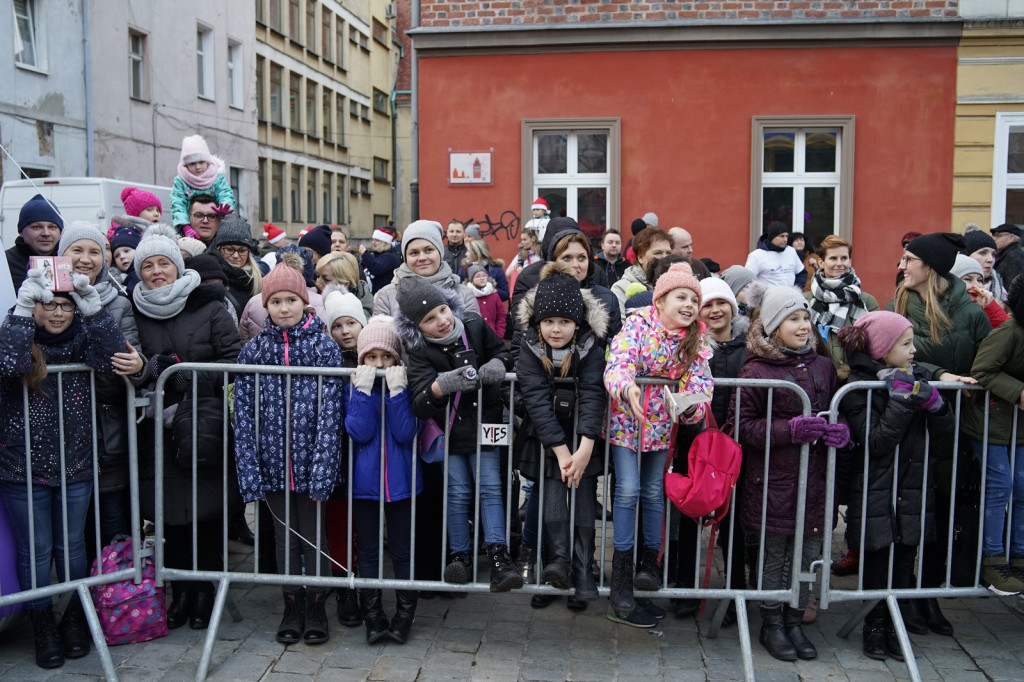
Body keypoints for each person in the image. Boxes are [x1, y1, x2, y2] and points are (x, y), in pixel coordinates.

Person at [0, 270, 125, 669]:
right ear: (34, 305)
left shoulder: (81, 340)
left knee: (70, 546)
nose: (57, 313)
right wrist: (22, 310)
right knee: (35, 550)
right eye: (49, 304)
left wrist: (93, 307)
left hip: (76, 462)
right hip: (22, 465)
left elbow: (112, 354)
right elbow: (10, 363)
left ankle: (73, 616)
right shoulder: (16, 333)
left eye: (65, 306)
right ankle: (42, 624)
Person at [131, 226, 241, 632]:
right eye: (148, 265)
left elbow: (234, 361)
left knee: (205, 512)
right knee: (168, 515)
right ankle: (180, 591)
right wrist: (153, 375)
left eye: (164, 263)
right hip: (155, 429)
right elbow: (132, 362)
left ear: (178, 267)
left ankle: (206, 591)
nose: (157, 271)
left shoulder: (209, 307)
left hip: (202, 424)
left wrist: (186, 378)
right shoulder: (134, 309)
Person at [731, 286, 848, 661]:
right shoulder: (755, 369)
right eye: (792, 319)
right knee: (774, 555)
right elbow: (739, 426)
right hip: (773, 481)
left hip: (815, 481)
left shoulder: (823, 366)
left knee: (809, 552)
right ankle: (771, 622)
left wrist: (839, 429)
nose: (802, 326)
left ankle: (795, 619)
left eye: (805, 319)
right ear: (773, 326)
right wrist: (788, 430)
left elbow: (836, 408)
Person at [233, 264, 343, 646]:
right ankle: (290, 603)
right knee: (284, 538)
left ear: (304, 302)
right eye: (275, 301)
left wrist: (323, 467)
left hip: (313, 460)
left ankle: (316, 603)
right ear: (265, 306)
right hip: (272, 462)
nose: (283, 308)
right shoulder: (255, 349)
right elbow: (243, 413)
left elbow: (332, 412)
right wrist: (250, 469)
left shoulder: (323, 347)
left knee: (314, 536)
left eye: (290, 300)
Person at [888, 231, 989, 636]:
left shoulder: (972, 313)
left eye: (909, 259)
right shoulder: (898, 304)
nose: (902, 266)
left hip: (956, 426)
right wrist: (940, 376)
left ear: (930, 265)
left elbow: (988, 364)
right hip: (911, 425)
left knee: (943, 512)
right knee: (912, 509)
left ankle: (929, 595)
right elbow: (890, 360)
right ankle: (904, 595)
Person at [603, 262, 714, 628]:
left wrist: (691, 404)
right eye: (680, 297)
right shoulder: (637, 325)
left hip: (661, 429)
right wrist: (627, 385)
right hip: (626, 424)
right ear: (661, 299)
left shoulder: (694, 340)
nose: (688, 305)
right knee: (628, 491)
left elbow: (700, 382)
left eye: (693, 300)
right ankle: (620, 584)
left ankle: (648, 566)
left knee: (653, 492)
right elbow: (618, 360)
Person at [838, 311, 953, 661]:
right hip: (876, 490)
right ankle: (873, 628)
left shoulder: (914, 378)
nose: (913, 350)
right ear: (882, 350)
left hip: (912, 488)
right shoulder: (860, 389)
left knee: (904, 560)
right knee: (876, 564)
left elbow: (945, 439)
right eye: (905, 344)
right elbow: (876, 442)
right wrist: (901, 403)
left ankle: (895, 627)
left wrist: (937, 408)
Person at [395, 278, 521, 592]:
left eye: (441, 310)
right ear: (417, 327)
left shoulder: (475, 325)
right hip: (450, 434)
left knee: (491, 489)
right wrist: (443, 384)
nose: (441, 320)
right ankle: (460, 557)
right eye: (429, 319)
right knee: (459, 493)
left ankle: (499, 559)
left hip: (487, 425)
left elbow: (505, 354)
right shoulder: (421, 351)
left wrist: (496, 364)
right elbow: (421, 402)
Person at [514, 263, 608, 608]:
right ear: (538, 322)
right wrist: (562, 452)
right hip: (547, 437)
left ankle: (583, 570)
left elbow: (594, 395)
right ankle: (557, 568)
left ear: (577, 322)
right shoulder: (529, 347)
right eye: (549, 321)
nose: (556, 329)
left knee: (583, 496)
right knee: (551, 494)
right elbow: (536, 400)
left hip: (585, 436)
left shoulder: (591, 346)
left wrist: (583, 450)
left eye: (565, 322)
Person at [58, 222, 148, 548]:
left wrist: (138, 366)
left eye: (94, 251)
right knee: (70, 533)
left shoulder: (119, 303)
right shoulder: (44, 299)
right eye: (76, 250)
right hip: (56, 437)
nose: (85, 259)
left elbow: (131, 364)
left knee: (112, 525)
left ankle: (115, 594)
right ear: (60, 256)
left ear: (105, 259)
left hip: (105, 437)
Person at [669, 276, 749, 619]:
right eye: (708, 305)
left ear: (732, 308)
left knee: (733, 521)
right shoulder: (691, 347)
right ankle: (683, 589)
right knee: (688, 515)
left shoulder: (750, 348)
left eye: (722, 304)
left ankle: (736, 594)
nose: (716, 310)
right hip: (693, 443)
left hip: (735, 448)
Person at [344, 316, 420, 644]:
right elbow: (359, 432)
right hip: (365, 487)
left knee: (403, 551)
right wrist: (362, 393)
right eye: (371, 357)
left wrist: (398, 392)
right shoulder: (353, 387)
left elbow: (405, 432)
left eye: (386, 357)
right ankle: (372, 615)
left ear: (397, 359)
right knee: (371, 553)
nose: (378, 364)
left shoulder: (404, 387)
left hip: (402, 484)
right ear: (362, 359)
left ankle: (405, 615)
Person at [962, 274, 1024, 597]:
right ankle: (993, 560)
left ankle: (1019, 555)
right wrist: (1018, 392)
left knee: (1023, 487)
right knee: (1001, 486)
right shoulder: (1009, 333)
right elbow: (982, 371)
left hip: (1017, 428)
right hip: (991, 424)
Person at [373, 220, 480, 318]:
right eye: (414, 253)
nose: (422, 258)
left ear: (440, 253)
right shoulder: (386, 295)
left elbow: (474, 335)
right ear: (405, 257)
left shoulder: (464, 294)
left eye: (428, 250)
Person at [807, 235, 880, 377]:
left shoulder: (865, 301)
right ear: (821, 262)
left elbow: (877, 343)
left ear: (850, 260)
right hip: (815, 377)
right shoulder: (807, 300)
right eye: (833, 258)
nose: (839, 263)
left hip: (855, 380)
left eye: (844, 258)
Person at [170, 135, 234, 230]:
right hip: (189, 227)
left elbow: (225, 194)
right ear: (186, 165)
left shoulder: (217, 178)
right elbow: (177, 204)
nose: (197, 167)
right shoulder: (181, 182)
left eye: (201, 162)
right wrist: (184, 226)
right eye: (192, 163)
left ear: (207, 162)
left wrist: (225, 206)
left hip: (214, 225)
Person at [610, 227, 673, 317]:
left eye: (668, 253)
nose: (665, 258)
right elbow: (621, 326)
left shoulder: (673, 286)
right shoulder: (621, 288)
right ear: (640, 257)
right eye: (658, 253)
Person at [7, 194, 63, 288]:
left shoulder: (70, 260)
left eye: (52, 227)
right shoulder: (5, 263)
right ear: (21, 231)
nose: (46, 233)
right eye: (36, 227)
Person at [211, 214, 263, 316]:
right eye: (229, 249)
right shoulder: (209, 276)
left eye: (242, 250)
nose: (235, 255)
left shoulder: (259, 280)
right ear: (219, 249)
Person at [951, 254, 1009, 329]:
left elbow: (1007, 333)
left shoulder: (987, 309)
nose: (976, 285)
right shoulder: (939, 308)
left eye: (979, 280)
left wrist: (991, 308)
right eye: (968, 279)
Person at [745, 221, 807, 288]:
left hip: (790, 296)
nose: (785, 240)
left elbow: (801, 273)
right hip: (768, 297)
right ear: (772, 237)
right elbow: (747, 280)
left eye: (786, 236)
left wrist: (797, 290)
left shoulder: (791, 251)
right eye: (782, 236)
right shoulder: (756, 255)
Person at [315, 251, 373, 319]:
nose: (318, 282)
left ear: (345, 284)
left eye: (326, 279)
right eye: (318, 276)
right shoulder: (313, 296)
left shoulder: (362, 311)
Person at [963, 229, 1007, 304]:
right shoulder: (950, 287)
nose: (991, 260)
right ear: (966, 256)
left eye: (993, 254)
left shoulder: (1001, 290)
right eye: (983, 253)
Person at [466, 264, 506, 338]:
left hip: (493, 336)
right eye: (478, 276)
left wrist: (499, 335)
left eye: (484, 275)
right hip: (474, 338)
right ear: (471, 279)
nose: (482, 278)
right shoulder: (467, 295)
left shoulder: (494, 295)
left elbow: (501, 316)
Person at [361, 228, 402, 294]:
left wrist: (365, 253)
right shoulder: (376, 255)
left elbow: (376, 269)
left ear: (385, 243)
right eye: (373, 240)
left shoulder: (390, 257)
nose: (373, 242)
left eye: (377, 240)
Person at [992, 223, 1024, 291]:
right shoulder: (1006, 254)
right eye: (993, 235)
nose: (994, 238)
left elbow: (1013, 287)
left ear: (1011, 238)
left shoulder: (1014, 256)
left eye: (998, 235)